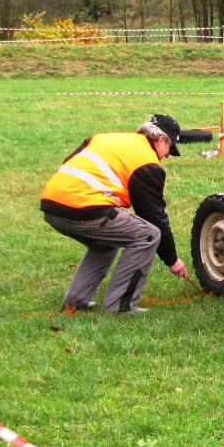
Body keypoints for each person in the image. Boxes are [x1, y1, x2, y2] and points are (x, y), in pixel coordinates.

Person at [40, 115, 189, 314]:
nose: (168, 155)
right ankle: (120, 306)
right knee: (149, 235)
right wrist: (172, 260)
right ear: (161, 140)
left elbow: (69, 162)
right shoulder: (146, 162)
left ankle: (75, 302)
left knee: (107, 241)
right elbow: (154, 216)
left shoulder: (107, 139)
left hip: (51, 203)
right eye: (170, 149)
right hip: (83, 207)